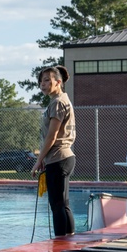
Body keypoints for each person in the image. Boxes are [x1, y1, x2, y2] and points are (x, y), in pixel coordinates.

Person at [32, 65, 76, 236]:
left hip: (59, 158)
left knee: (57, 205)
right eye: (41, 81)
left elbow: (52, 136)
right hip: (62, 158)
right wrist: (44, 159)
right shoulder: (61, 100)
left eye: (47, 80)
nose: (43, 84)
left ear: (58, 82)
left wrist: (38, 160)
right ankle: (69, 242)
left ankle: (60, 245)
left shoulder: (58, 103)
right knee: (62, 204)